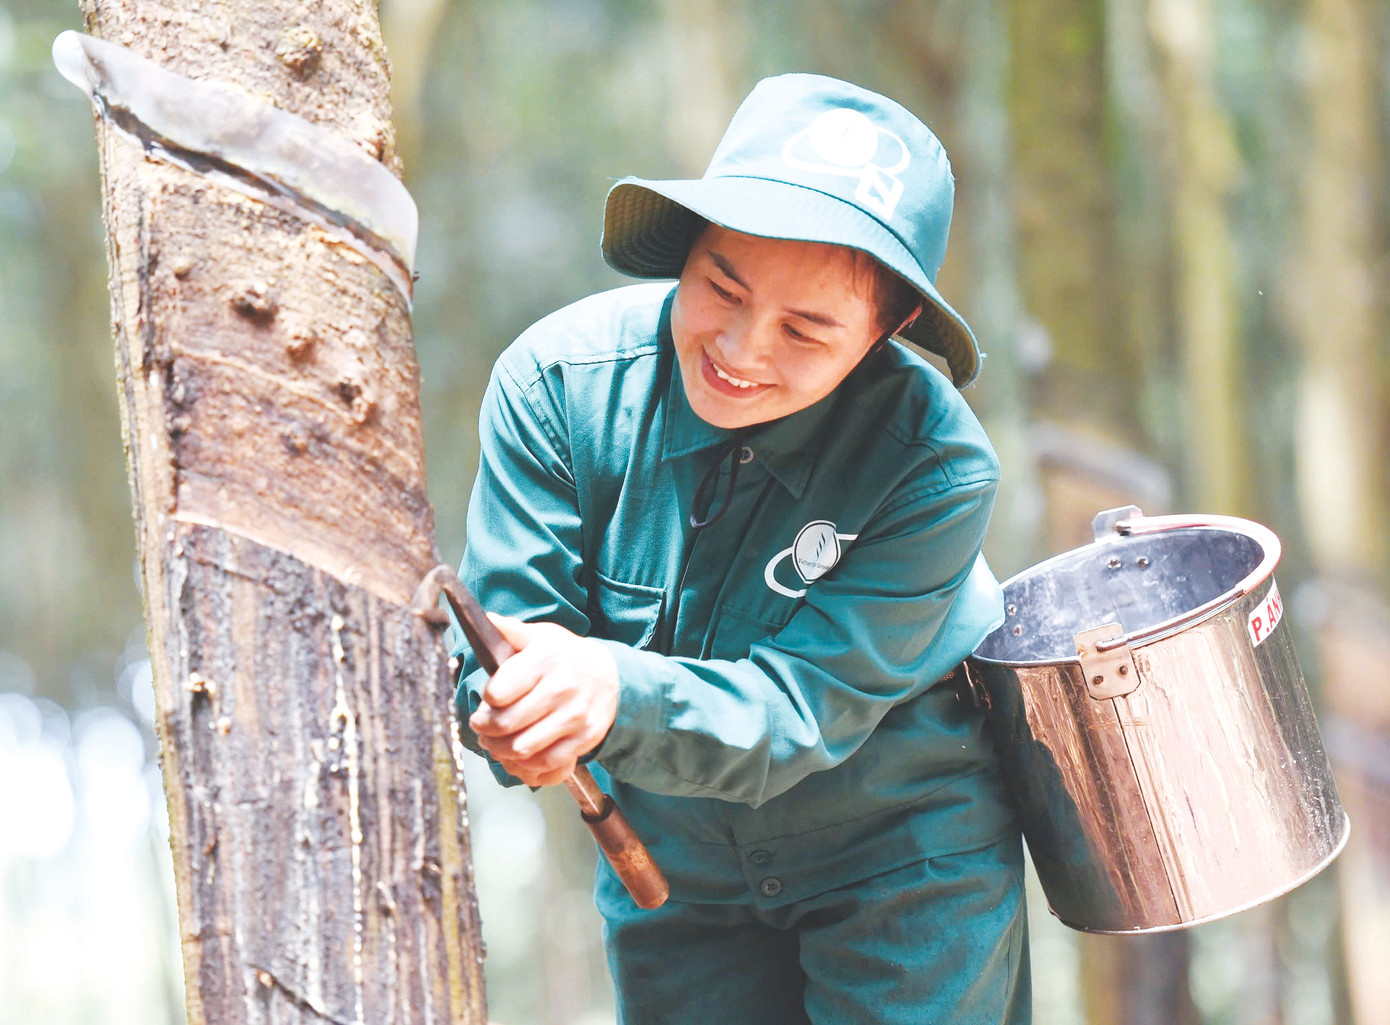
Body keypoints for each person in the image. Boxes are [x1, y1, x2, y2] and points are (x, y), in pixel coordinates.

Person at [453, 73, 1029, 1025]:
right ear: (687, 246)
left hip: (904, 859)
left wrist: (611, 688)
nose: (743, 349)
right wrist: (519, 717)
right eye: (723, 285)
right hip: (672, 875)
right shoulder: (555, 391)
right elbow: (500, 659)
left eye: (806, 329)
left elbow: (800, 708)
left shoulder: (936, 469)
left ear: (889, 330)